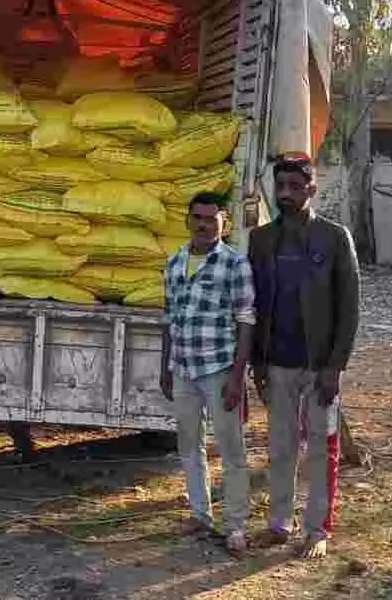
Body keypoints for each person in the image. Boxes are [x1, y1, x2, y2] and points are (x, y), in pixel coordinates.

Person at [247, 154, 360, 560]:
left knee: (321, 450)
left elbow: (349, 309)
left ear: (312, 189)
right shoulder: (261, 240)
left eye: (295, 187)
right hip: (277, 364)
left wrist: (335, 367)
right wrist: (257, 361)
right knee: (281, 447)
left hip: (319, 367)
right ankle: (279, 525)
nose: (286, 194)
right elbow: (254, 305)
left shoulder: (334, 238)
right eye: (280, 186)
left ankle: (317, 530)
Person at [160, 191, 256, 557]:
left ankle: (235, 526)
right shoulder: (175, 262)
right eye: (197, 218)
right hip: (184, 368)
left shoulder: (234, 264)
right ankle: (200, 515)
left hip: (219, 368)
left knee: (231, 449)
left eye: (210, 219)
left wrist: (237, 376)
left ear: (223, 224)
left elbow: (246, 320)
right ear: (187, 220)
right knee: (189, 445)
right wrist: (166, 367)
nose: (203, 225)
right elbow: (170, 319)